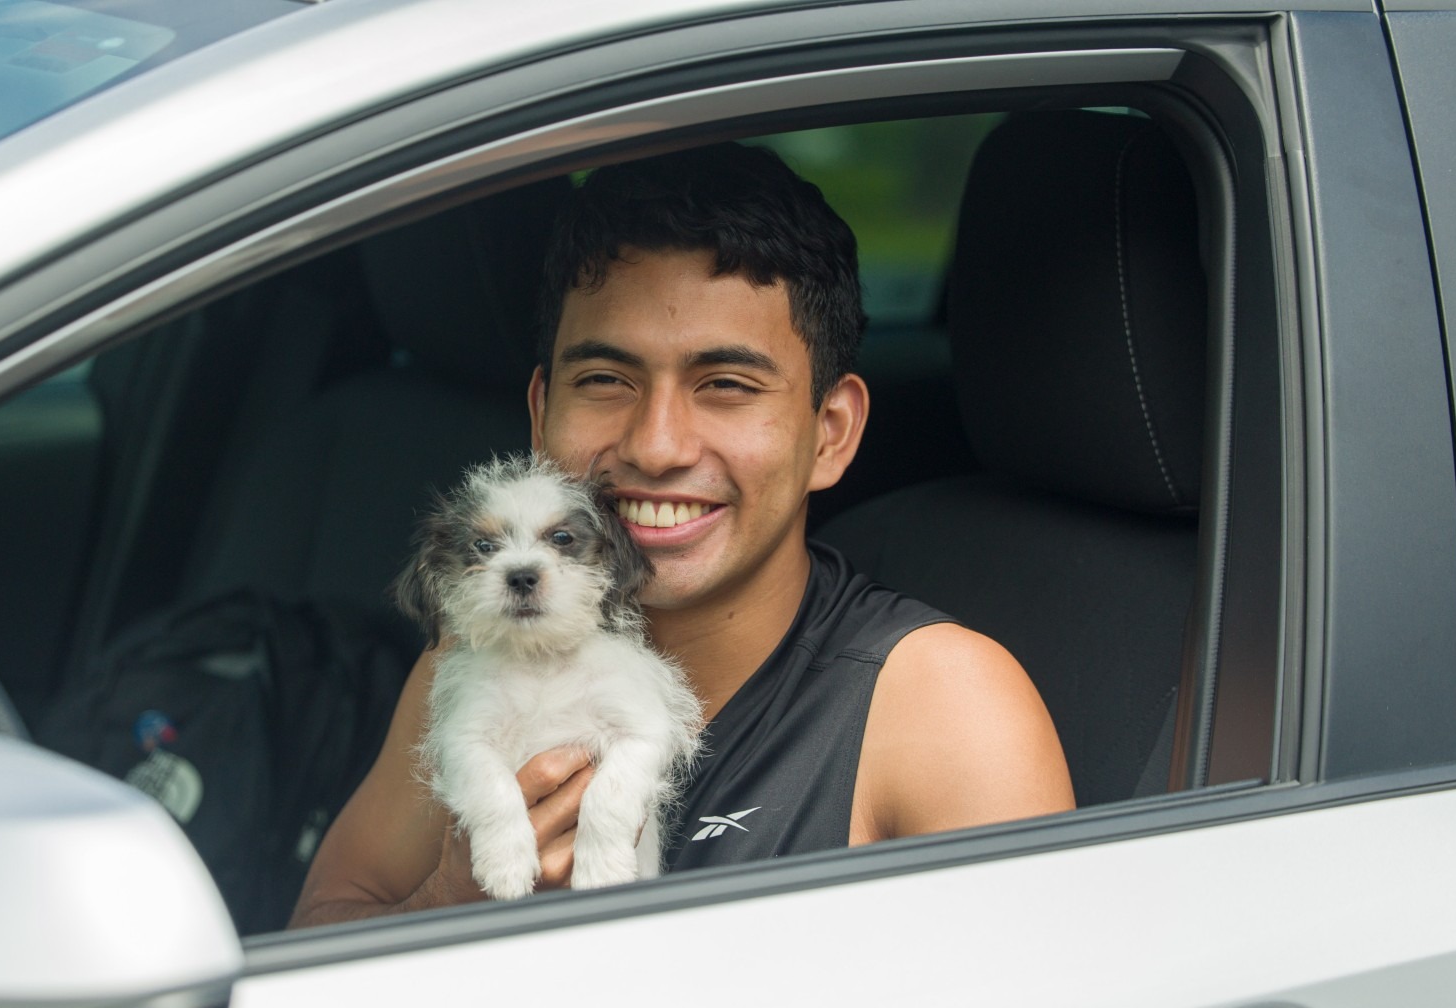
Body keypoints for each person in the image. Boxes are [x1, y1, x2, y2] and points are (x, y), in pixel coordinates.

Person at [289, 142, 1072, 927]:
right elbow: (322, 926)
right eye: (606, 380)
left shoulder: (943, 707)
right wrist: (450, 899)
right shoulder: (483, 647)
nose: (657, 446)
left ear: (831, 433)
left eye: (726, 386)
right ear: (538, 417)